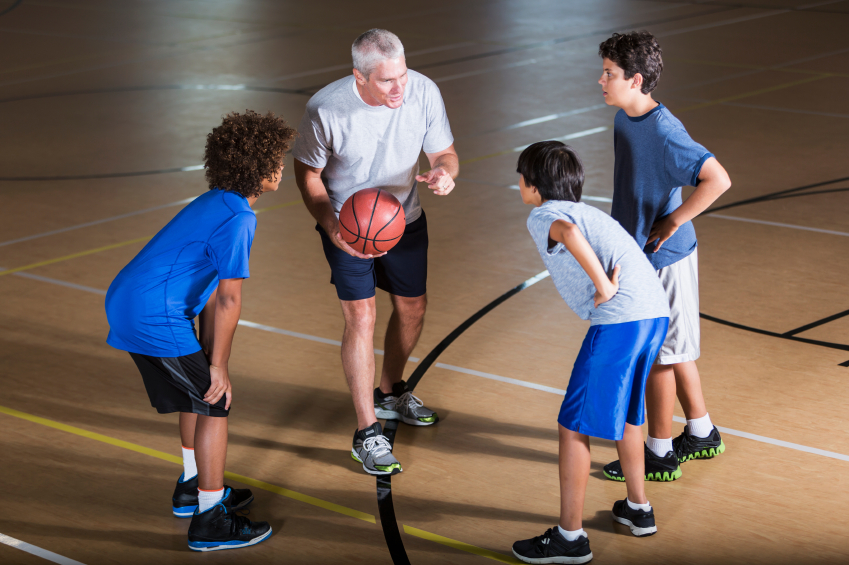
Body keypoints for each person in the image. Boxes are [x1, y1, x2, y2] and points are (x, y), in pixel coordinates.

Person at [104, 110, 296, 551]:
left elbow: (209, 293)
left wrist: (211, 357)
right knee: (216, 400)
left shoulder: (217, 202)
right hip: (153, 315)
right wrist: (221, 368)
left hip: (133, 302)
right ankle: (209, 519)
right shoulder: (239, 219)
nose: (281, 167)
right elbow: (229, 298)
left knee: (200, 392)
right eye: (275, 159)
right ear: (255, 166)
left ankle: (193, 487)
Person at [292, 29, 458, 476]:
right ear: (359, 77)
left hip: (403, 218)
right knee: (361, 317)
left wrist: (444, 172)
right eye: (386, 81)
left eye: (402, 75)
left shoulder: (422, 91)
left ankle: (389, 392)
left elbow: (444, 151)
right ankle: (367, 431)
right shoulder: (326, 109)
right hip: (350, 225)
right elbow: (307, 173)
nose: (399, 88)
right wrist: (330, 223)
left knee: (413, 309)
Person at [511, 142, 670, 564]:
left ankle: (570, 538)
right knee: (631, 416)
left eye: (520, 176)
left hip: (620, 320)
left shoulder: (544, 215)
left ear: (534, 184)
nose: (518, 183)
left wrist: (603, 288)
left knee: (572, 424)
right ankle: (638, 509)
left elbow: (566, 234)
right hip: (653, 315)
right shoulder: (591, 210)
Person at [596, 31, 732, 483]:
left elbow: (717, 179)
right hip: (641, 254)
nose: (601, 80)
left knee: (658, 357)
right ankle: (701, 431)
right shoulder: (624, 120)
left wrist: (673, 221)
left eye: (610, 74)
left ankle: (658, 453)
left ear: (635, 81)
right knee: (673, 353)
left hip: (666, 257)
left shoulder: (664, 131)